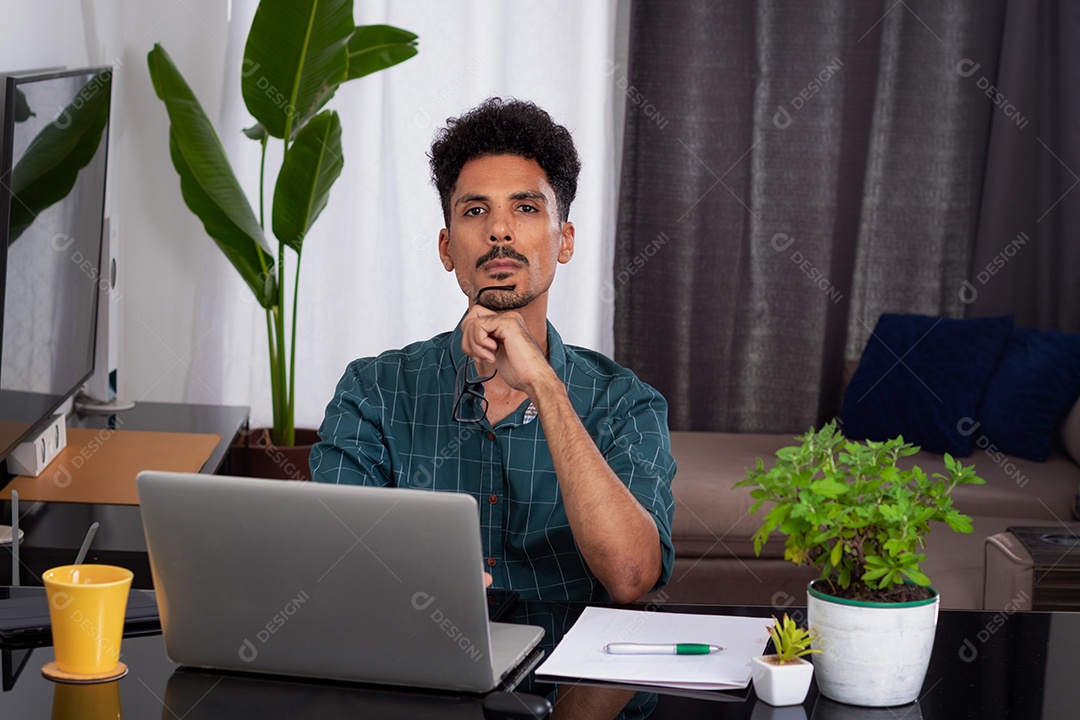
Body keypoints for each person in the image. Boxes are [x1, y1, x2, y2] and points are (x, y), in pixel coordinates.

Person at [310, 98, 675, 604]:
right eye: (475, 210)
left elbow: (631, 577)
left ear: (564, 241)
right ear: (446, 247)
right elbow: (332, 565)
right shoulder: (374, 391)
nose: (499, 230)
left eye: (525, 208)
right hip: (420, 669)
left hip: (564, 677)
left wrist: (545, 386)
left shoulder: (625, 403)